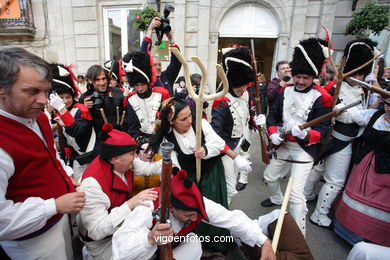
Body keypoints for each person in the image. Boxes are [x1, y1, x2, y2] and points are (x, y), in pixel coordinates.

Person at [112, 169, 314, 260]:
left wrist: (264, 242)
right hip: (138, 253)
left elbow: (233, 219)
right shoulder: (146, 208)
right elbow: (120, 251)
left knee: (193, 242)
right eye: (189, 215)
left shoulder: (198, 205)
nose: (194, 219)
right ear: (171, 207)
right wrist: (149, 239)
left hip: (171, 248)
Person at [0, 47, 86, 259]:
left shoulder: (39, 116)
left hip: (59, 223)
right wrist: (53, 206)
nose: (43, 100)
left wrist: (66, 176)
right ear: (2, 90)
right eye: (32, 91)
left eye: (46, 91)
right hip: (31, 243)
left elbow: (51, 156)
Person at [149, 97, 252, 253]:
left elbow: (218, 142)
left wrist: (207, 150)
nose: (190, 120)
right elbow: (173, 165)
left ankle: (219, 241)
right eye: (183, 119)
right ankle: (198, 240)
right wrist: (179, 180)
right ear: (172, 122)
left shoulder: (200, 124)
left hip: (210, 172)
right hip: (188, 178)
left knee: (213, 207)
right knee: (193, 211)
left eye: (190, 115)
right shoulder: (167, 138)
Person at [260, 38, 333, 236]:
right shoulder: (285, 91)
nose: (300, 81)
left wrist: (308, 134)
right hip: (283, 145)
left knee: (295, 195)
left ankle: (299, 236)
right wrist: (274, 133)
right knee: (269, 177)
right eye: (298, 76)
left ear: (313, 77)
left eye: (306, 78)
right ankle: (277, 200)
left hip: (304, 149)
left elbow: (324, 127)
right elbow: (273, 116)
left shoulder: (322, 97)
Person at [306, 38, 378, 228]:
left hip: (346, 139)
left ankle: (306, 194)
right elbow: (349, 117)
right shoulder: (333, 88)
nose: (361, 77)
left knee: (320, 169)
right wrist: (373, 110)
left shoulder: (361, 87)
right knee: (334, 180)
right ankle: (319, 215)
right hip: (336, 139)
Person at [77, 123, 158, 259]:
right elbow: (96, 231)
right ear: (115, 158)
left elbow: (147, 169)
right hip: (100, 242)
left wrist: (166, 166)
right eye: (132, 153)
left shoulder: (123, 162)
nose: (135, 157)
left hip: (119, 227)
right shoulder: (92, 185)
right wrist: (130, 204)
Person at [332, 94, 389, 251]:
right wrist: (338, 107)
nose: (388, 107)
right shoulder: (375, 115)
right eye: (387, 103)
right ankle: (346, 231)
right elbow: (353, 116)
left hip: (385, 173)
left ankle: (373, 242)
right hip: (363, 165)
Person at [211, 47, 259, 199]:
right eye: (239, 85)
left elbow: (246, 116)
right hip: (225, 150)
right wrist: (233, 155)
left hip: (239, 143)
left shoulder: (246, 94)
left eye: (245, 84)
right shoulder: (220, 102)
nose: (243, 88)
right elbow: (216, 135)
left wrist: (255, 120)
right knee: (230, 189)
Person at [48, 63, 95, 181]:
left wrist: (62, 110)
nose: (65, 101)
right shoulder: (59, 112)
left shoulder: (81, 110)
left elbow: (77, 131)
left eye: (68, 97)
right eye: (61, 98)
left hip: (91, 155)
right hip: (77, 155)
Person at [123, 51, 170, 140]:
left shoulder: (162, 94)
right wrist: (141, 142)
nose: (140, 88)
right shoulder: (131, 100)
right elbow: (133, 128)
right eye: (136, 85)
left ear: (147, 82)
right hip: (143, 140)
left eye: (142, 84)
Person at [140, 17, 182, 96]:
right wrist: (150, 30)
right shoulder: (146, 79)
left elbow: (177, 62)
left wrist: (171, 40)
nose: (158, 67)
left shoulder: (166, 76)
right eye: (155, 65)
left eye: (159, 64)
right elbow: (142, 57)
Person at [80, 64, 126, 134]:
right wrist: (84, 110)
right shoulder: (85, 98)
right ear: (90, 80)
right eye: (97, 80)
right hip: (98, 139)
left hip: (119, 135)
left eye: (103, 79)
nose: (102, 83)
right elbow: (82, 125)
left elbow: (128, 115)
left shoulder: (118, 93)